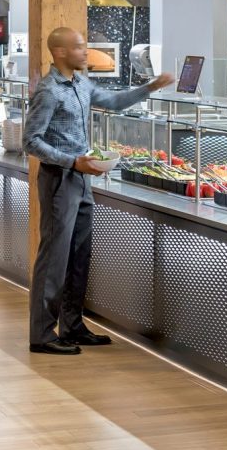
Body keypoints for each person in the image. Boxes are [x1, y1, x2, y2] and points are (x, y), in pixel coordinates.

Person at [21, 24, 167, 355]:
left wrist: (151, 86)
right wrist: (73, 163)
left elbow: (114, 102)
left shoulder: (81, 83)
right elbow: (30, 141)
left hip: (82, 177)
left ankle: (72, 326)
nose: (86, 52)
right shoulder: (49, 91)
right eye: (79, 47)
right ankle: (42, 335)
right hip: (60, 179)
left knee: (78, 255)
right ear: (59, 52)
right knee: (54, 258)